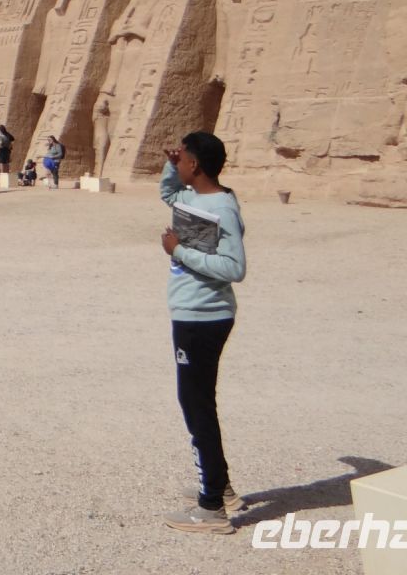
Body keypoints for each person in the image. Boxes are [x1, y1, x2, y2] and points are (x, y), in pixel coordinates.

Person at [159, 131, 247, 534]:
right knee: (194, 400)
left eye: (182, 160)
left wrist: (179, 251)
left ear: (195, 165)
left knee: (196, 404)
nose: (177, 165)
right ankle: (221, 485)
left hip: (204, 317)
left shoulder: (222, 207)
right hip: (190, 313)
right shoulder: (194, 196)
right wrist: (168, 163)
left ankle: (212, 507)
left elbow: (234, 268)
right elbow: (168, 193)